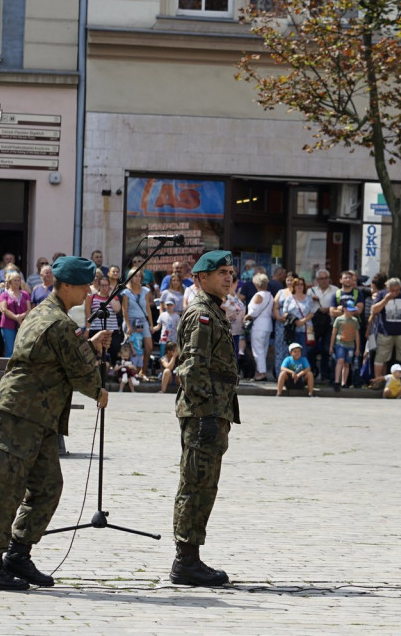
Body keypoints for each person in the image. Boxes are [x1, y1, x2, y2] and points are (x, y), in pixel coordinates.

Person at [0, 256, 111, 591]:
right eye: (82, 287)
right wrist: (99, 390)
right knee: (7, 490)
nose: (87, 293)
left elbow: (62, 355)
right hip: (20, 415)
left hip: (39, 418)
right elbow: (78, 370)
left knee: (47, 487)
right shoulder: (58, 323)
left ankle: (17, 555)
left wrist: (89, 347)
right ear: (65, 286)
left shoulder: (45, 314)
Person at [171, 249, 241, 587]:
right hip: (204, 414)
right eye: (221, 272)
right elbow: (192, 368)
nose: (228, 277)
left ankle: (190, 557)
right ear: (200, 278)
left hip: (213, 411)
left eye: (230, 271)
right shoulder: (201, 314)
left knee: (204, 486)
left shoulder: (214, 311)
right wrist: (209, 413)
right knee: (195, 485)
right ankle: (185, 561)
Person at [371, 277, 401, 380]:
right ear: (387, 288)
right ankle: (377, 381)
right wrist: (386, 299)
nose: (395, 293)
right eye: (392, 290)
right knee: (380, 357)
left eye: (397, 290)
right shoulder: (382, 294)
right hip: (385, 332)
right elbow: (374, 310)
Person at [121, 268, 154, 379]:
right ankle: (130, 374)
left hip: (143, 320)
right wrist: (129, 326)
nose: (138, 278)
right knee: (131, 347)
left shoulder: (145, 290)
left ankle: (142, 371)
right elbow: (124, 310)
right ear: (130, 277)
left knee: (149, 346)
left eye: (139, 276)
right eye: (135, 276)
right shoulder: (126, 292)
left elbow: (148, 308)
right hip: (130, 320)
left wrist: (151, 324)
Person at [307, 269, 339, 382]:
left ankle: (325, 374)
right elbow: (305, 305)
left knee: (327, 349)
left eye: (326, 278)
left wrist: (329, 309)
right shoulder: (311, 291)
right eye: (321, 278)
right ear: (317, 280)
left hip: (329, 323)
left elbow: (339, 305)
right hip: (314, 323)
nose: (324, 280)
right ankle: (310, 373)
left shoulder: (335, 290)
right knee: (311, 349)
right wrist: (311, 300)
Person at [85, 275, 124, 365]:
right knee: (97, 353)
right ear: (98, 286)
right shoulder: (93, 297)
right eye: (102, 285)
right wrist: (87, 330)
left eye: (106, 285)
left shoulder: (114, 297)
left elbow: (117, 309)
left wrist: (110, 294)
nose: (104, 288)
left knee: (113, 351)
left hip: (111, 329)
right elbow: (88, 315)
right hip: (96, 329)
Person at [0, 271, 31, 358]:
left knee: (22, 348)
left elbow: (29, 309)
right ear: (10, 282)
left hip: (22, 324)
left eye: (19, 280)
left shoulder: (25, 294)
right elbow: (4, 309)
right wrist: (16, 317)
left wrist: (20, 317)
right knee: (10, 349)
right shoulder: (4, 294)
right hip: (7, 324)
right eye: (15, 280)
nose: (17, 282)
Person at [245, 273, 273, 381]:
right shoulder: (270, 295)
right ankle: (260, 370)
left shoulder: (258, 295)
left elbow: (253, 312)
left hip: (258, 325)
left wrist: (246, 317)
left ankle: (261, 372)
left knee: (258, 350)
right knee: (263, 350)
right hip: (267, 325)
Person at [330, 303, 361, 390]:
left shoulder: (354, 320)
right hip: (340, 343)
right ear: (344, 309)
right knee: (340, 360)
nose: (351, 312)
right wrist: (331, 346)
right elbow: (334, 333)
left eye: (352, 311)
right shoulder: (339, 320)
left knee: (347, 364)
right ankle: (336, 381)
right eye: (350, 310)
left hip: (350, 344)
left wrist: (357, 348)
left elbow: (357, 335)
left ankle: (344, 382)